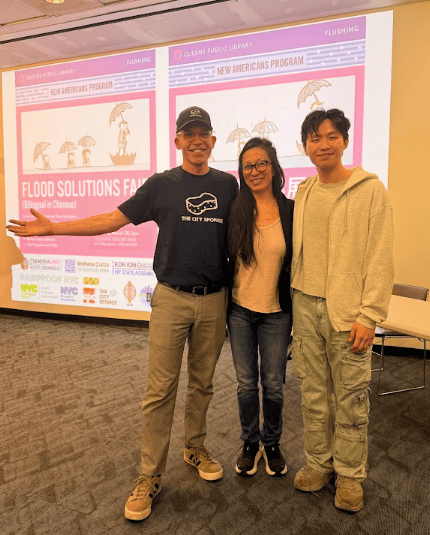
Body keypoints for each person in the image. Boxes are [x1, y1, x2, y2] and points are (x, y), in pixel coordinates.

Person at [7, 106, 238, 522]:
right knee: (160, 390)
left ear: (213, 140)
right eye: (189, 133)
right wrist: (54, 228)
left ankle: (195, 447)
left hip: (215, 299)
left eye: (204, 132)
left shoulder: (227, 185)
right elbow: (111, 221)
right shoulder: (162, 185)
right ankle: (150, 475)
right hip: (171, 298)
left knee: (203, 384)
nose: (197, 140)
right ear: (178, 141)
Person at [290, 109, 394, 512]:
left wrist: (370, 315)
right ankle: (319, 463)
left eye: (332, 136)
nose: (323, 145)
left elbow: (381, 257)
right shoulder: (305, 191)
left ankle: (350, 474)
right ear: (306, 146)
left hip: (348, 312)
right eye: (315, 138)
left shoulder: (370, 190)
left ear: (345, 141)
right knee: (313, 393)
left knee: (351, 395)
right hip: (305, 306)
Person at [228, 137, 294, 477]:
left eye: (261, 163)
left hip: (277, 313)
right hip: (239, 310)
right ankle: (250, 442)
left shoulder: (291, 211)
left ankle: (272, 443)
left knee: (273, 384)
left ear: (274, 167)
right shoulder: (235, 210)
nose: (254, 171)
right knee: (245, 384)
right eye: (247, 166)